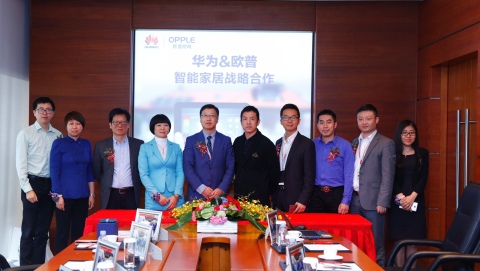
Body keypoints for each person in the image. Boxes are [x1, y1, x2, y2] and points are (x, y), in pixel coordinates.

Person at [15, 97, 62, 265]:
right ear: (34, 112)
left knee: (43, 231)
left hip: (50, 185)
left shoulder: (58, 135)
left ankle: (38, 266)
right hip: (32, 184)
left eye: (48, 109)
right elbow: (20, 164)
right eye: (40, 109)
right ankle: (25, 267)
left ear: (53, 113)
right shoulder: (25, 133)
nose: (44, 112)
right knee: (28, 230)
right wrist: (28, 189)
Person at [349, 104, 395, 267]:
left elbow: (388, 175)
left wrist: (383, 202)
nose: (364, 122)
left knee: (376, 244)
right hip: (355, 201)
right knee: (356, 243)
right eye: (360, 119)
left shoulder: (385, 143)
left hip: (375, 203)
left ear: (376, 120)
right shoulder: (355, 142)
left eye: (368, 118)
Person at [50, 111, 95, 253]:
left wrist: (92, 194)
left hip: (82, 195)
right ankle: (60, 266)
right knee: (62, 234)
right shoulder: (59, 143)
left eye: (78, 124)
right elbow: (54, 171)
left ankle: (77, 263)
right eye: (71, 123)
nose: (74, 127)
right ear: (66, 126)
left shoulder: (86, 144)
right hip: (64, 197)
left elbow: (89, 171)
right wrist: (57, 197)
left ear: (82, 127)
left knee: (79, 233)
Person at [388, 120, 429, 267]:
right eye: (405, 133)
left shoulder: (422, 154)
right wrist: (401, 197)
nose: (408, 136)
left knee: (412, 243)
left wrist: (411, 197)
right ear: (399, 135)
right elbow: (390, 177)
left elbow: (424, 178)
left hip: (416, 201)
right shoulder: (393, 153)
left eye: (412, 132)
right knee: (399, 243)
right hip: (397, 202)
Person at [92, 108, 144, 209]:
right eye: (116, 122)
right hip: (110, 195)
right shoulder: (101, 146)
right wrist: (106, 182)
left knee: (130, 224)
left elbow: (143, 169)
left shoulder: (138, 145)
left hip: (131, 194)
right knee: (110, 224)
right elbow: (97, 171)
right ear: (110, 125)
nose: (120, 125)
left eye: (123, 122)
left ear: (128, 125)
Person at [183, 104, 235, 200]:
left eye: (212, 115)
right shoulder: (191, 140)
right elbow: (187, 166)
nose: (208, 119)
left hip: (219, 195)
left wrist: (221, 189)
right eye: (205, 115)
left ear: (217, 119)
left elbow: (230, 167)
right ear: (200, 119)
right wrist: (202, 188)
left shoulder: (226, 140)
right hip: (196, 195)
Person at [308, 109, 354, 214]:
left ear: (335, 124)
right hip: (316, 195)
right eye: (321, 122)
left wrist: (346, 201)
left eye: (328, 122)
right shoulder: (312, 145)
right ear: (317, 125)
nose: (325, 126)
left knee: (335, 229)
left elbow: (349, 174)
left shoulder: (345, 145)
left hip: (337, 195)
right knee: (315, 228)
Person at [232, 105, 280, 206]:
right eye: (245, 119)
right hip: (239, 196)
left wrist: (268, 193)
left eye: (252, 119)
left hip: (259, 197)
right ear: (241, 122)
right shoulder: (237, 142)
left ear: (258, 122)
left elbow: (274, 173)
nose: (248, 122)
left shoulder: (266, 144)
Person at [272, 103, 315, 213]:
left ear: (299, 121)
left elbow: (309, 176)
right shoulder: (278, 143)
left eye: (293, 117)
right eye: (285, 117)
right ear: (281, 121)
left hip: (296, 199)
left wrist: (303, 200)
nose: (289, 121)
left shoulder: (306, 144)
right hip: (278, 197)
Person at [138, 114, 185, 210]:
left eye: (166, 125)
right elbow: (143, 174)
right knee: (154, 225)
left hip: (175, 198)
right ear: (153, 128)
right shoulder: (145, 148)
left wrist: (176, 196)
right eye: (159, 125)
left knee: (179, 225)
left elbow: (180, 172)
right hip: (154, 198)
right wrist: (157, 196)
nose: (163, 128)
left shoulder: (176, 147)